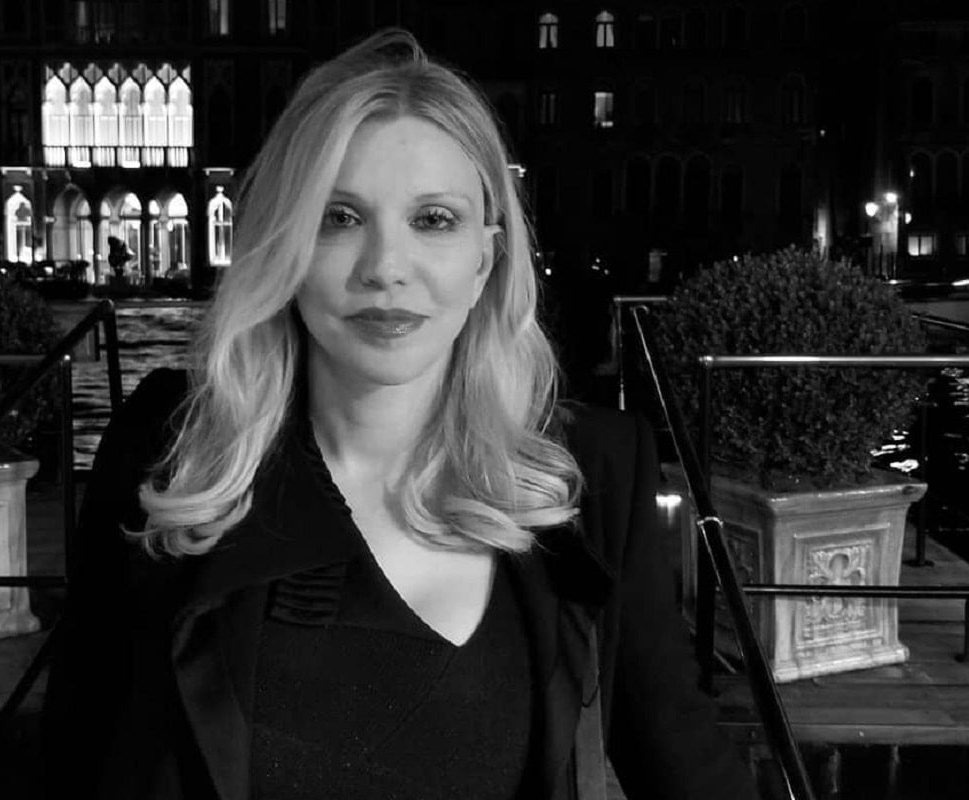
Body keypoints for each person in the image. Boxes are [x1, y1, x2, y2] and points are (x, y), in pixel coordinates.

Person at [42, 29, 761, 800]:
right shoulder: (172, 450)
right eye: (339, 217)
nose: (385, 268)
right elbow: (75, 753)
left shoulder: (596, 474)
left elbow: (682, 752)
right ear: (284, 246)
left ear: (485, 258)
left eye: (434, 220)